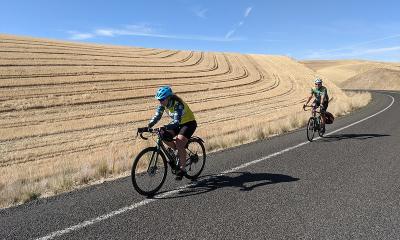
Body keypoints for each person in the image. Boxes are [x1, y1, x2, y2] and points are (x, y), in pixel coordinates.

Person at [145, 86, 197, 180]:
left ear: (169, 98)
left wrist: (165, 127)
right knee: (163, 135)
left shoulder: (178, 105)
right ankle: (177, 151)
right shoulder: (163, 105)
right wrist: (148, 126)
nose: (160, 102)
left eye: (162, 99)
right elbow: (157, 116)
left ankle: (182, 169)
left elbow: (176, 122)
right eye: (159, 100)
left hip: (188, 124)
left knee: (179, 143)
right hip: (178, 124)